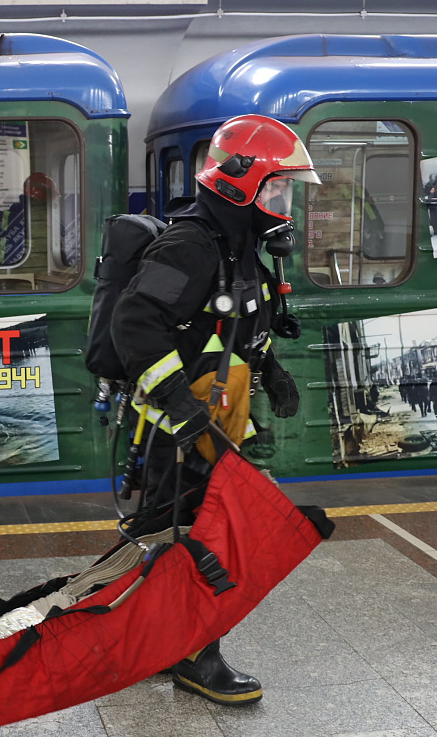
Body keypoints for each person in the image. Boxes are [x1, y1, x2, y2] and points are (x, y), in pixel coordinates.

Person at [111, 114, 318, 706]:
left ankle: (161, 643)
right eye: (278, 187)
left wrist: (271, 370)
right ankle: (198, 656)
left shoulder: (239, 246)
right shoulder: (192, 245)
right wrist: (178, 404)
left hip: (213, 419)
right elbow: (135, 324)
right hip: (177, 428)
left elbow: (234, 325)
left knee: (179, 537)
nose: (285, 202)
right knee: (200, 540)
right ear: (240, 185)